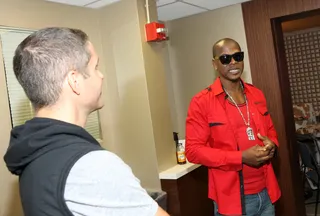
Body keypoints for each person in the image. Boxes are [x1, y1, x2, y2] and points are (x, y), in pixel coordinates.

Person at [3, 27, 169, 216]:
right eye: (95, 67)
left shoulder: (33, 153)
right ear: (75, 81)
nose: (101, 75)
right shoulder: (92, 165)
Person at [185, 38, 281, 216]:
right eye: (225, 58)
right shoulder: (202, 102)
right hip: (232, 200)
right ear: (215, 64)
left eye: (237, 56)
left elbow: (271, 132)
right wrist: (240, 157)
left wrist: (272, 145)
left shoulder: (256, 94)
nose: (233, 62)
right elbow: (193, 151)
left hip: (267, 193)